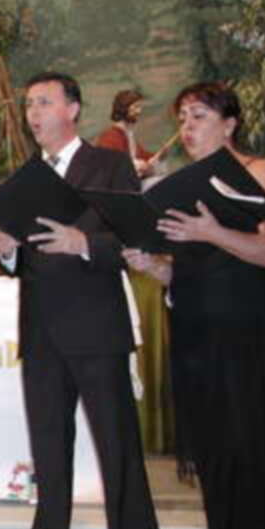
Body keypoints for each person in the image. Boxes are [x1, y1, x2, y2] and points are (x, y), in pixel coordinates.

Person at [0, 72, 163, 529]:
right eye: (28, 106)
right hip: (41, 334)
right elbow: (23, 257)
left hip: (96, 329)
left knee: (119, 452)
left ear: (73, 109)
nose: (33, 114)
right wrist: (6, 253)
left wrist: (83, 243)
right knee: (48, 452)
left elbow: (135, 242)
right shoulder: (26, 176)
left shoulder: (108, 165)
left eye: (44, 102)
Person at [123, 82, 265, 529]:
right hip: (195, 339)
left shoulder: (262, 173)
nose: (186, 127)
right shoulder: (184, 188)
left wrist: (212, 232)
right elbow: (188, 271)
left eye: (199, 116)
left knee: (254, 458)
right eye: (182, 117)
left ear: (230, 122)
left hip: (250, 340)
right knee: (215, 462)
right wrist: (153, 267)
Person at [97, 89, 172, 455]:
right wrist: (137, 169)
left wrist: (150, 166)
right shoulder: (110, 139)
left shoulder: (129, 138)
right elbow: (114, 176)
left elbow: (140, 161)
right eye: (135, 106)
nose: (139, 111)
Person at [96, 90, 157, 179]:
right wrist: (138, 165)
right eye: (136, 107)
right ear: (124, 108)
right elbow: (113, 165)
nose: (139, 111)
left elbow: (141, 155)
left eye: (139, 107)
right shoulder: (110, 137)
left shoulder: (128, 134)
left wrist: (156, 157)